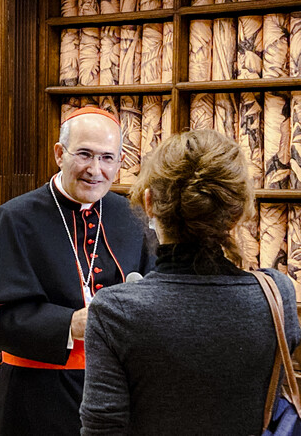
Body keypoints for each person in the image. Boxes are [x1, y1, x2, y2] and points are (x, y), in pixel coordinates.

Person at [80, 129, 301, 435]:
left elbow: (103, 429)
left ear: (149, 203)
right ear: (238, 214)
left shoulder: (115, 311)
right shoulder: (278, 294)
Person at [0, 107, 156, 436]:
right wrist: (69, 324)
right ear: (59, 154)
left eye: (107, 158)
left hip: (117, 393)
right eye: (84, 154)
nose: (96, 170)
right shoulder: (15, 218)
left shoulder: (132, 218)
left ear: (120, 163)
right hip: (34, 397)